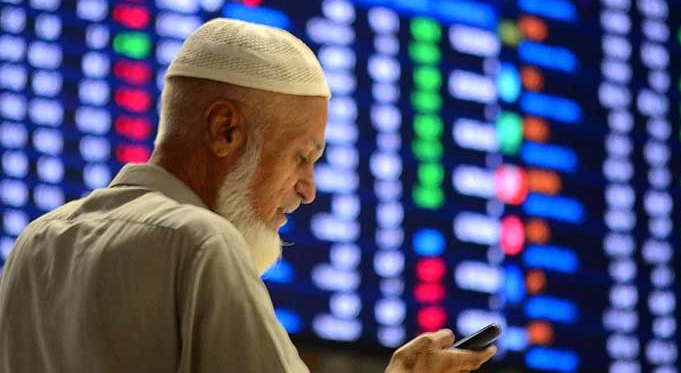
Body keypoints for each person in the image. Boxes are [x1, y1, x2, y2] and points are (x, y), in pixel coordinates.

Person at [0, 18, 496, 372]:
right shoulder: (199, 242)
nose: (308, 189)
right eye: (301, 156)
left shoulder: (35, 242)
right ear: (225, 130)